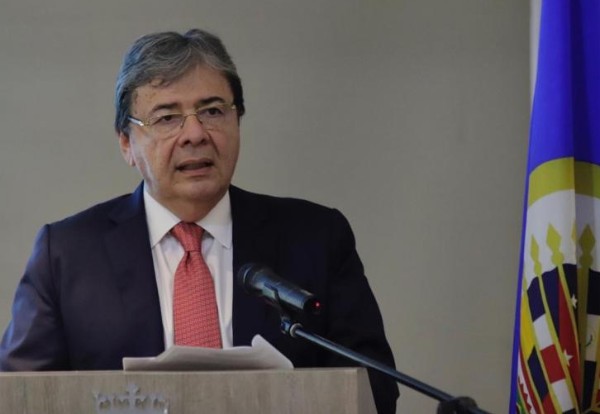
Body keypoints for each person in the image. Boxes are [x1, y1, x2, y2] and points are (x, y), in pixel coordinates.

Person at [0, 29, 399, 413]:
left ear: (237, 121)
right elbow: (18, 397)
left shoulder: (315, 238)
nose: (195, 134)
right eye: (167, 117)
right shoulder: (68, 254)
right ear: (126, 143)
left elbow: (375, 390)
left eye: (212, 111)